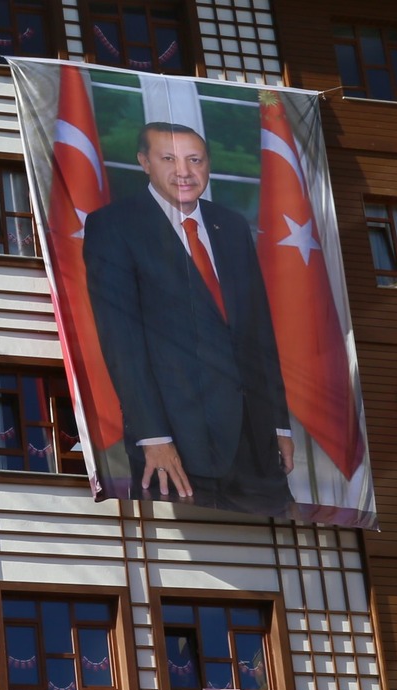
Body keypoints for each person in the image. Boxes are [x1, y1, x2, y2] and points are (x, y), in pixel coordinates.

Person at [82, 121, 293, 517]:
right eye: (169, 159)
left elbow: (258, 331)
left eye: (195, 160)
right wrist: (152, 436)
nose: (184, 171)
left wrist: (278, 425)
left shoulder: (229, 225)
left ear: (208, 165)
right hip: (177, 443)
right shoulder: (114, 226)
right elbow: (121, 342)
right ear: (144, 162)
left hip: (255, 442)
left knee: (276, 555)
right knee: (194, 564)